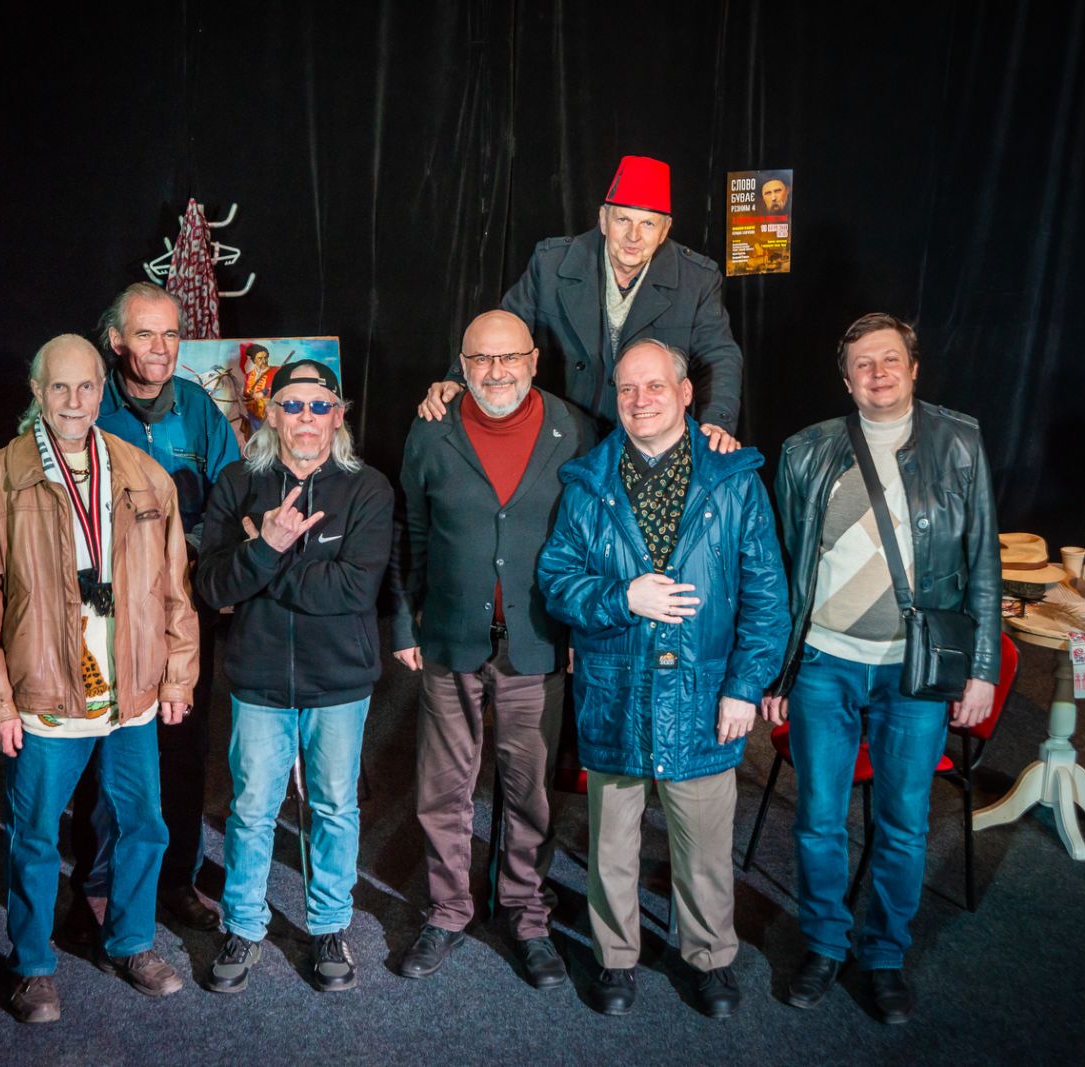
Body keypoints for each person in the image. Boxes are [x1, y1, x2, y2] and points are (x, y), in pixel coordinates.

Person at [538, 340, 790, 1019]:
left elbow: (767, 597)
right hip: (615, 689)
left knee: (704, 844)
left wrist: (744, 686)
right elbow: (556, 581)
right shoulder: (587, 483)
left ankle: (709, 957)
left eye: (654, 386)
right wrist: (623, 596)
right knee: (611, 844)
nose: (640, 400)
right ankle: (615, 956)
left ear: (685, 394)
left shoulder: (734, 480)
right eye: (627, 388)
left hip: (704, 694)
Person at [763, 312, 1000, 1024]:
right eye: (863, 363)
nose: (878, 372)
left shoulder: (960, 442)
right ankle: (824, 944)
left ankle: (886, 955)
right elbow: (783, 571)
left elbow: (982, 562)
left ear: (913, 367)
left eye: (890, 359)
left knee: (904, 820)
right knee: (819, 818)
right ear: (846, 379)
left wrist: (982, 667)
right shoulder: (806, 451)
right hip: (824, 663)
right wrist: (777, 672)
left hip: (914, 670)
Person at [0, 334, 197, 1023]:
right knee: (33, 835)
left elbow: (174, 588)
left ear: (101, 390)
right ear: (37, 391)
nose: (73, 400)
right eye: (58, 387)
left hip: (131, 695)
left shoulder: (143, 474)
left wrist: (178, 678)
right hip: (45, 698)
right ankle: (31, 965)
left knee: (144, 824)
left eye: (86, 386)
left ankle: (132, 942)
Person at [389, 310, 596, 988]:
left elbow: (593, 541)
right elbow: (412, 531)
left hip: (539, 641)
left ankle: (526, 913)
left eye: (509, 357)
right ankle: (449, 909)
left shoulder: (575, 431)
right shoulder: (432, 429)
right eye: (481, 359)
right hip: (450, 637)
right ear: (462, 364)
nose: (496, 371)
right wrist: (404, 626)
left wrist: (580, 633)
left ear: (534, 360)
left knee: (529, 791)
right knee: (443, 788)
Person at [195, 360, 394, 995]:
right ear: (271, 415)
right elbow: (212, 587)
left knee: (334, 806)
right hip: (259, 681)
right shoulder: (237, 483)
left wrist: (265, 561)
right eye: (293, 405)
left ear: (339, 416)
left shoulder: (368, 489)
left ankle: (329, 926)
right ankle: (243, 926)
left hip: (339, 681)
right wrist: (262, 547)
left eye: (319, 405)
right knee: (252, 809)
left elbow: (353, 590)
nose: (306, 417)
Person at [63, 282, 244, 941]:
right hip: (106, 609)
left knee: (183, 746)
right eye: (146, 334)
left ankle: (176, 878)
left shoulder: (198, 408)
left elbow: (230, 497)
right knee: (101, 744)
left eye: (171, 334)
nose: (162, 348)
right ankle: (97, 881)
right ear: (116, 341)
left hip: (184, 606)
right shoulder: (90, 406)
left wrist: (192, 552)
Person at [418, 156, 745, 452]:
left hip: (652, 438)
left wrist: (716, 421)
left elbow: (719, 355)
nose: (633, 236)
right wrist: (457, 378)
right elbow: (502, 328)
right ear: (603, 219)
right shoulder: (551, 264)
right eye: (623, 220)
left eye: (647, 223)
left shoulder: (697, 278)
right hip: (565, 435)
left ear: (664, 230)